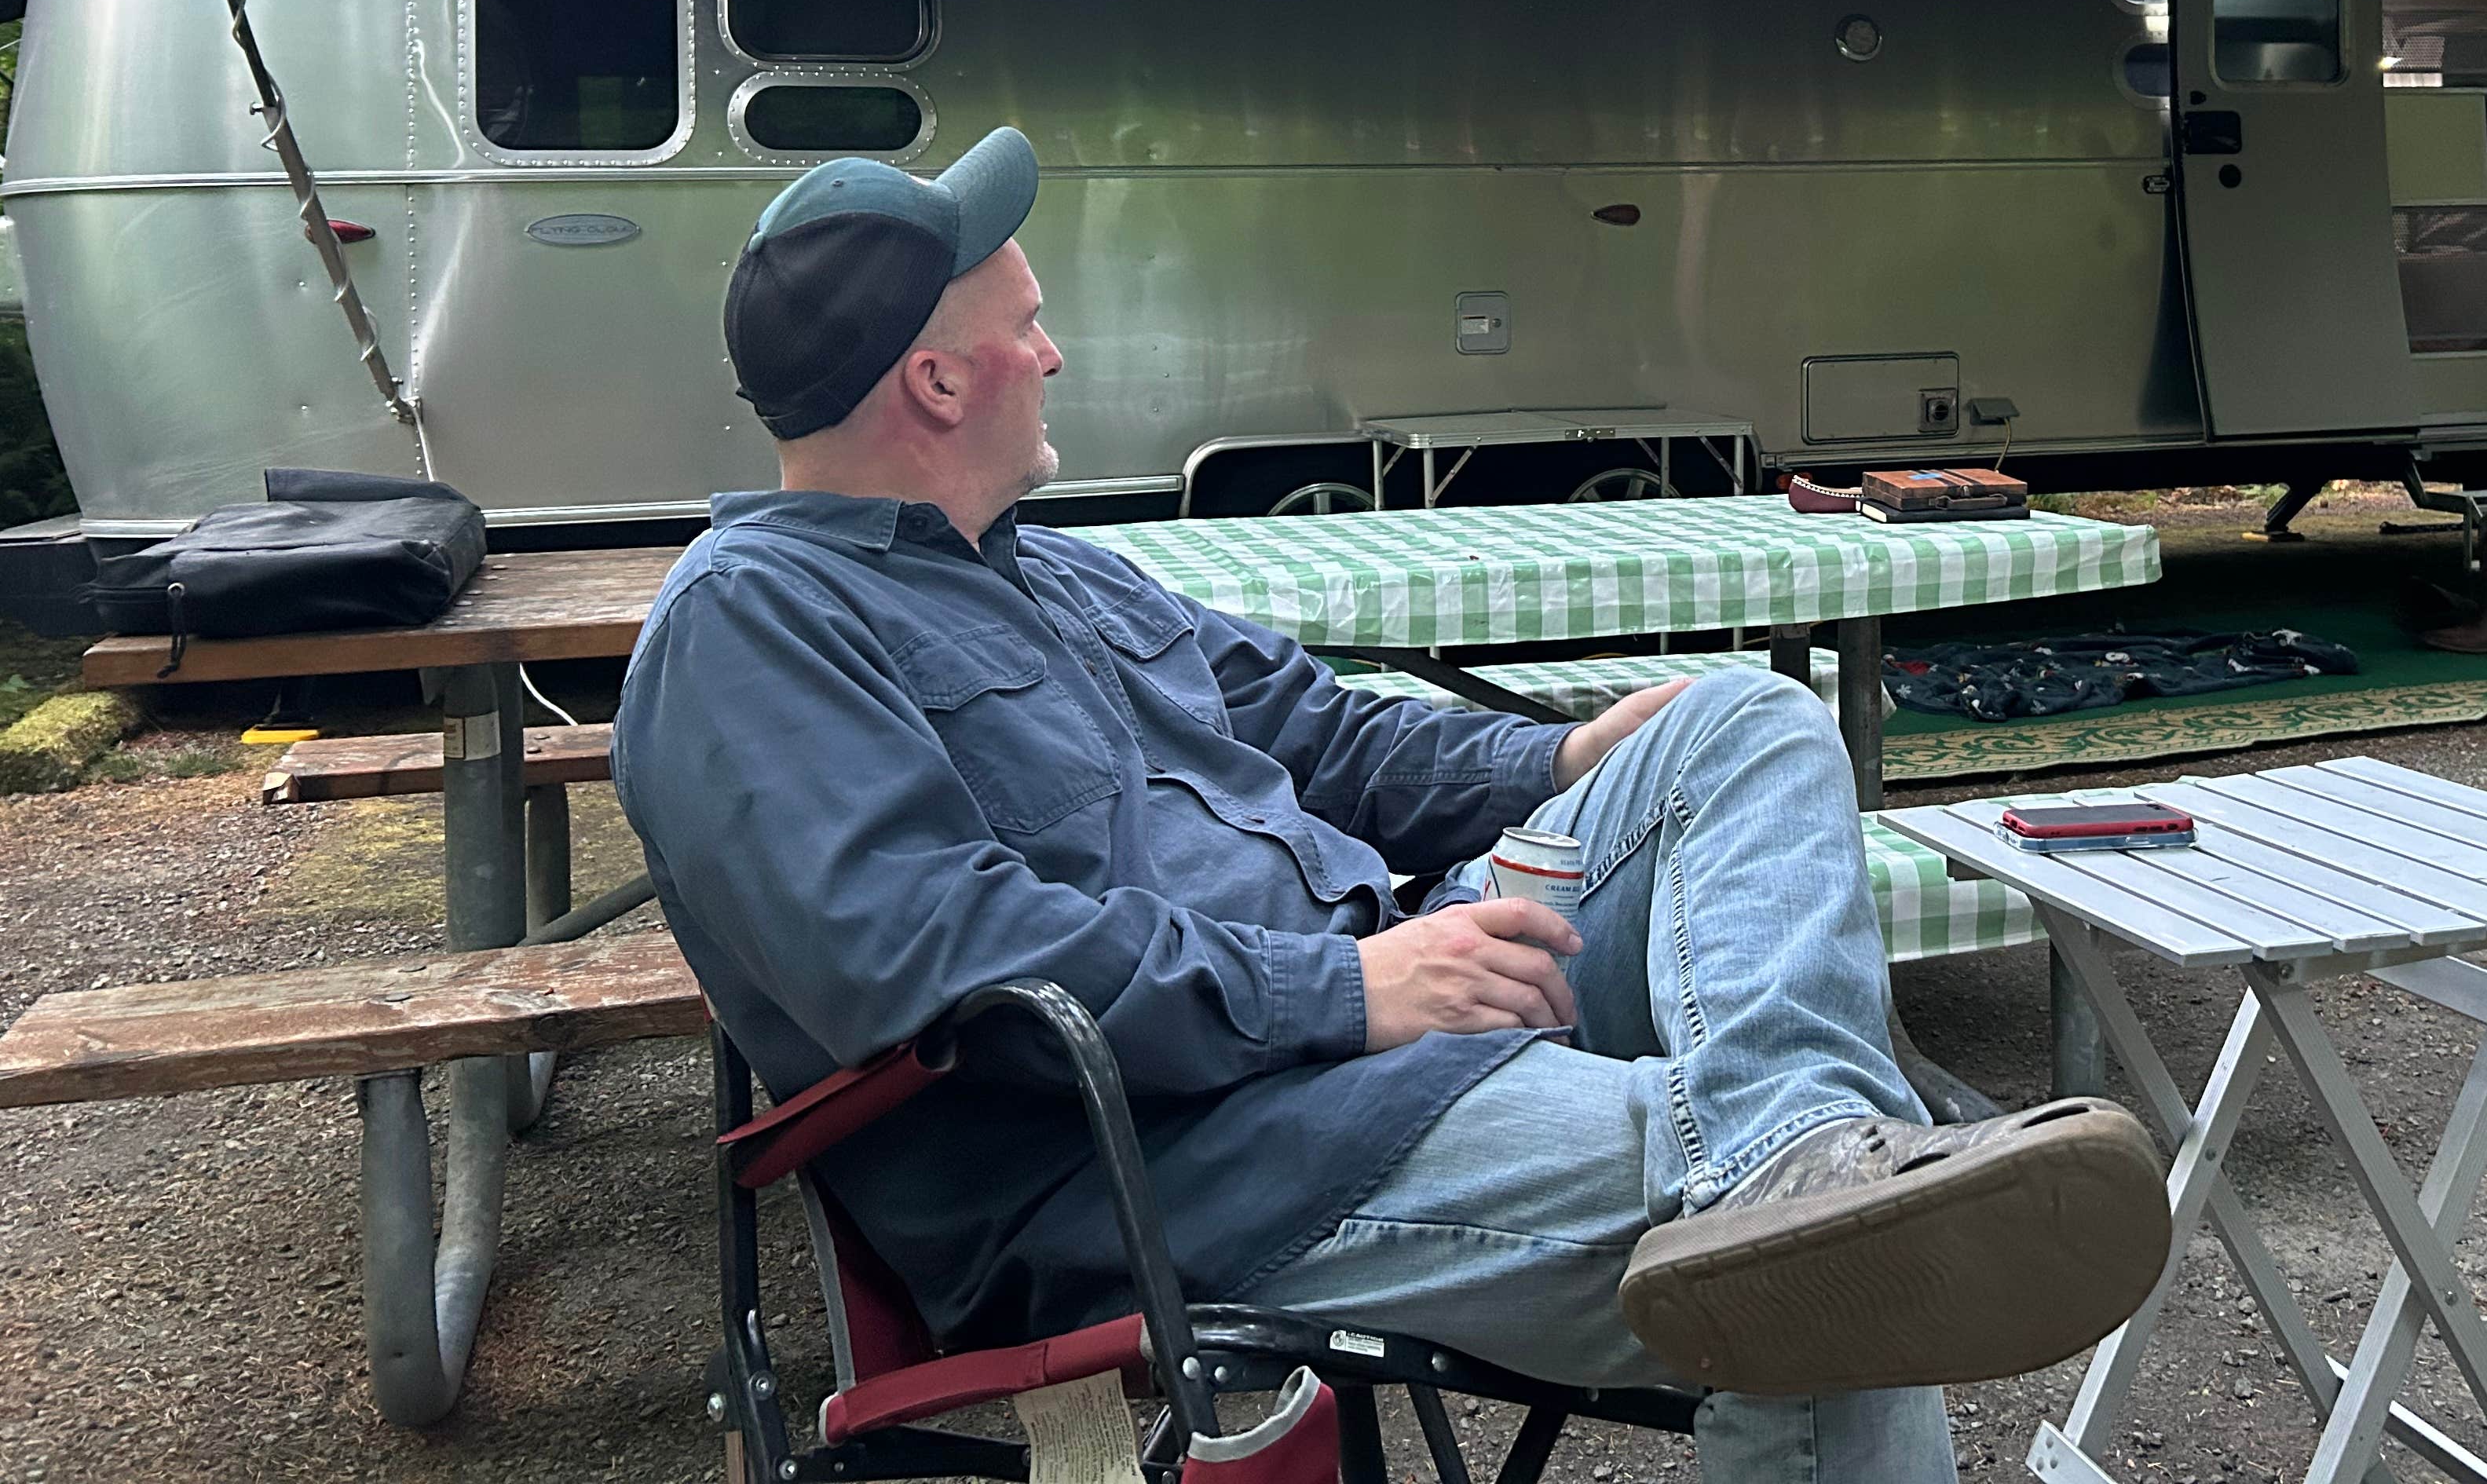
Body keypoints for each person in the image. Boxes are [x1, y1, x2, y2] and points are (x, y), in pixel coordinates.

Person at [614, 127, 2171, 1482]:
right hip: (1195, 1162)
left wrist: (1558, 760)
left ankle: (1799, 1143)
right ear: (938, 380)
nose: (1057, 355)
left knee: (1744, 720)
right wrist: (1347, 992)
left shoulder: (1060, 573)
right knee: (1814, 1275)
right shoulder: (751, 625)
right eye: (1028, 325)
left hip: (1388, 1008)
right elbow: (940, 957)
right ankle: (1796, 1187)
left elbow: (1322, 732)